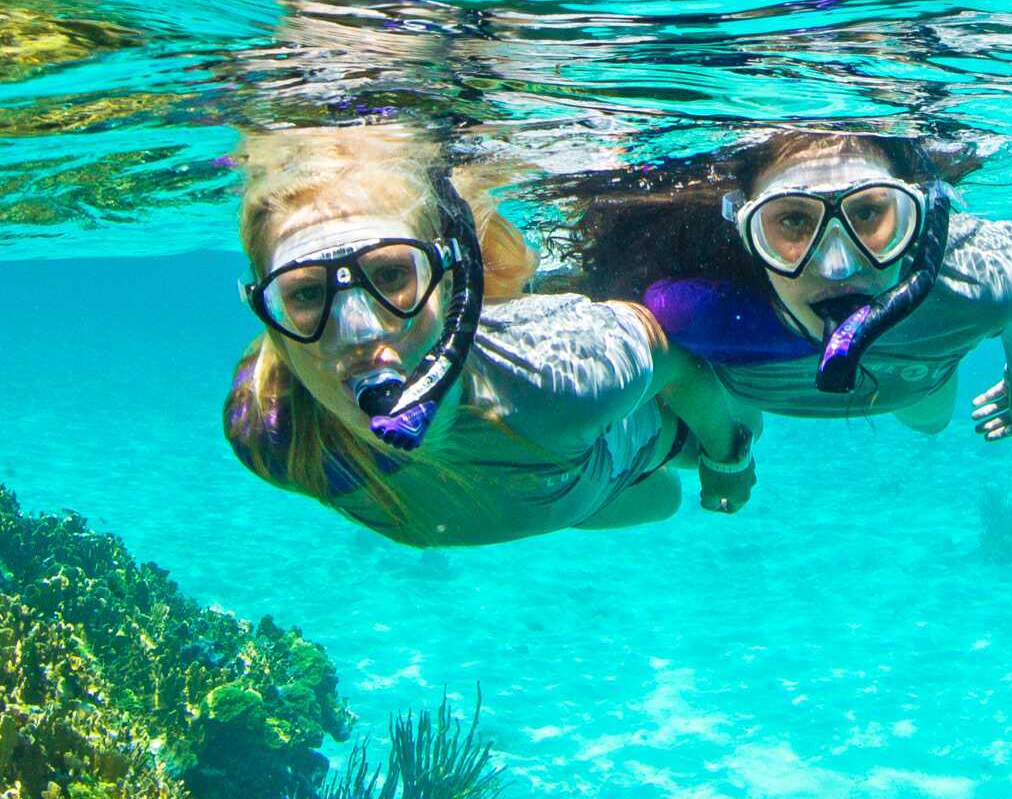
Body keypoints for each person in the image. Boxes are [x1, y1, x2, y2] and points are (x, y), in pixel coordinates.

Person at [222, 125, 755, 544]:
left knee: (731, 432)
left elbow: (681, 365)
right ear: (267, 310)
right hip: (564, 495)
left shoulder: (561, 378)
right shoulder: (269, 426)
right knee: (659, 504)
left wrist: (727, 460)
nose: (357, 333)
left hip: (607, 457)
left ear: (453, 280)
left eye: (390, 276)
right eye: (307, 295)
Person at [569, 129, 1012, 458]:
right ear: (747, 233)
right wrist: (724, 457)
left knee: (930, 423)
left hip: (915, 391)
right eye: (793, 220)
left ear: (914, 217)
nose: (838, 266)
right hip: (759, 390)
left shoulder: (975, 288)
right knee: (741, 431)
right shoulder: (695, 314)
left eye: (868, 214)